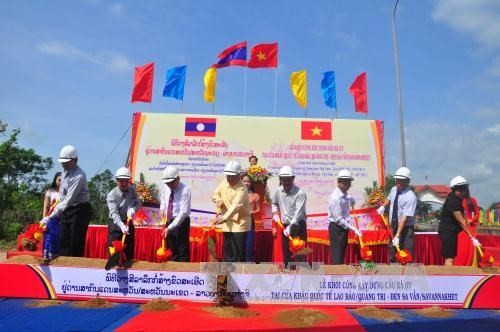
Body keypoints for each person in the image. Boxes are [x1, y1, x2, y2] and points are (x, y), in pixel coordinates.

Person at [42, 145, 91, 257]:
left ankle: (74, 268)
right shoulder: (64, 171)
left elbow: (69, 199)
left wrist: (50, 216)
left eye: (67, 162)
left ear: (75, 160)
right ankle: (63, 266)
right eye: (63, 162)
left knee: (75, 242)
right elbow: (63, 194)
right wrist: (54, 209)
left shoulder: (79, 176)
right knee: (63, 240)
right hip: (66, 209)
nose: (64, 164)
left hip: (80, 210)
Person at [212, 160, 251, 262]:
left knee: (238, 253)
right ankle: (226, 275)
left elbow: (235, 206)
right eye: (228, 176)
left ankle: (238, 276)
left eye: (233, 176)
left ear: (239, 175)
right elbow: (215, 194)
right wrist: (218, 200)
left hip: (240, 223)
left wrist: (223, 218)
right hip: (227, 223)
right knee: (228, 252)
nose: (230, 178)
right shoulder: (224, 182)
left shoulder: (242, 189)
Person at [438, 176, 481, 266]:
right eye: (459, 191)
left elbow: (464, 216)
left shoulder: (455, 198)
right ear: (453, 189)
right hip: (448, 231)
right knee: (449, 258)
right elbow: (461, 221)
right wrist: (471, 237)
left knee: (451, 257)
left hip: (451, 231)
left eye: (464, 190)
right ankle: (448, 279)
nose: (463, 193)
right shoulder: (453, 201)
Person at [377, 167, 417, 263]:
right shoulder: (394, 189)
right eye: (397, 180)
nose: (398, 182)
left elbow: (404, 218)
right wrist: (383, 206)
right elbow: (389, 198)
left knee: (406, 253)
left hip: (406, 229)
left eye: (402, 180)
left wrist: (397, 235)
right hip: (393, 226)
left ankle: (406, 275)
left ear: (408, 181)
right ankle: (394, 273)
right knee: (392, 252)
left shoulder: (410, 197)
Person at [271, 165, 307, 268]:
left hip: (298, 225)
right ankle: (288, 273)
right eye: (284, 180)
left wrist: (290, 227)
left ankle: (303, 275)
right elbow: (274, 203)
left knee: (300, 252)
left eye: (288, 180)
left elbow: (298, 213)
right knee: (286, 252)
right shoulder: (278, 191)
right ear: (280, 180)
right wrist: (276, 213)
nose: (286, 183)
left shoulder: (300, 194)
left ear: (293, 179)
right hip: (285, 225)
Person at [106, 167, 141, 267]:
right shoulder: (111, 195)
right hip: (115, 224)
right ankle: (114, 269)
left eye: (126, 181)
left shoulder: (132, 190)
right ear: (116, 181)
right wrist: (121, 226)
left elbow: (138, 203)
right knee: (114, 251)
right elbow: (114, 214)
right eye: (121, 181)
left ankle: (128, 269)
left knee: (128, 249)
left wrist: (133, 209)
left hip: (128, 222)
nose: (124, 184)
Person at [328, 169, 362, 265]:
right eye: (345, 182)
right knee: (337, 256)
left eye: (349, 182)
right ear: (339, 182)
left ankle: (340, 277)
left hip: (343, 228)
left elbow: (352, 202)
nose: (348, 185)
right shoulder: (335, 197)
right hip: (337, 228)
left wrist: (351, 200)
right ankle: (336, 279)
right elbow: (338, 219)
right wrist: (353, 229)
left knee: (341, 254)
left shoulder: (345, 195)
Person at [160, 166, 191, 262]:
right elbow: (163, 200)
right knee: (171, 249)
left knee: (182, 249)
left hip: (181, 222)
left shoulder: (185, 190)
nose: (170, 185)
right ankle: (173, 272)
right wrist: (162, 209)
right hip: (168, 220)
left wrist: (170, 227)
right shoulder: (166, 187)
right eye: (167, 183)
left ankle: (183, 273)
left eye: (172, 182)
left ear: (178, 178)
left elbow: (183, 213)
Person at [454, 186, 480, 265]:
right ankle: (458, 265)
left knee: (468, 249)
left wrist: (471, 220)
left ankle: (468, 266)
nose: (462, 191)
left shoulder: (472, 200)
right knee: (459, 249)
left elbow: (477, 214)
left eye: (464, 189)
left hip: (469, 227)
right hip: (458, 228)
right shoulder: (455, 201)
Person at [41, 172, 62, 262]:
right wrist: (44, 222)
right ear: (55, 180)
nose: (61, 182)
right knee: (50, 238)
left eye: (63, 180)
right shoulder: (50, 192)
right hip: (51, 219)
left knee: (60, 239)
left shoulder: (67, 192)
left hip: (63, 219)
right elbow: (46, 207)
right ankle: (48, 258)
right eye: (59, 180)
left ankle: (59, 259)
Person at [242, 174, 260, 262]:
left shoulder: (255, 196)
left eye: (248, 181)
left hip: (249, 221)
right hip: (238, 221)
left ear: (251, 183)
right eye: (244, 181)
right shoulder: (237, 194)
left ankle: (248, 260)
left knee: (249, 243)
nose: (246, 183)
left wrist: (251, 212)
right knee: (239, 242)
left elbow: (258, 209)